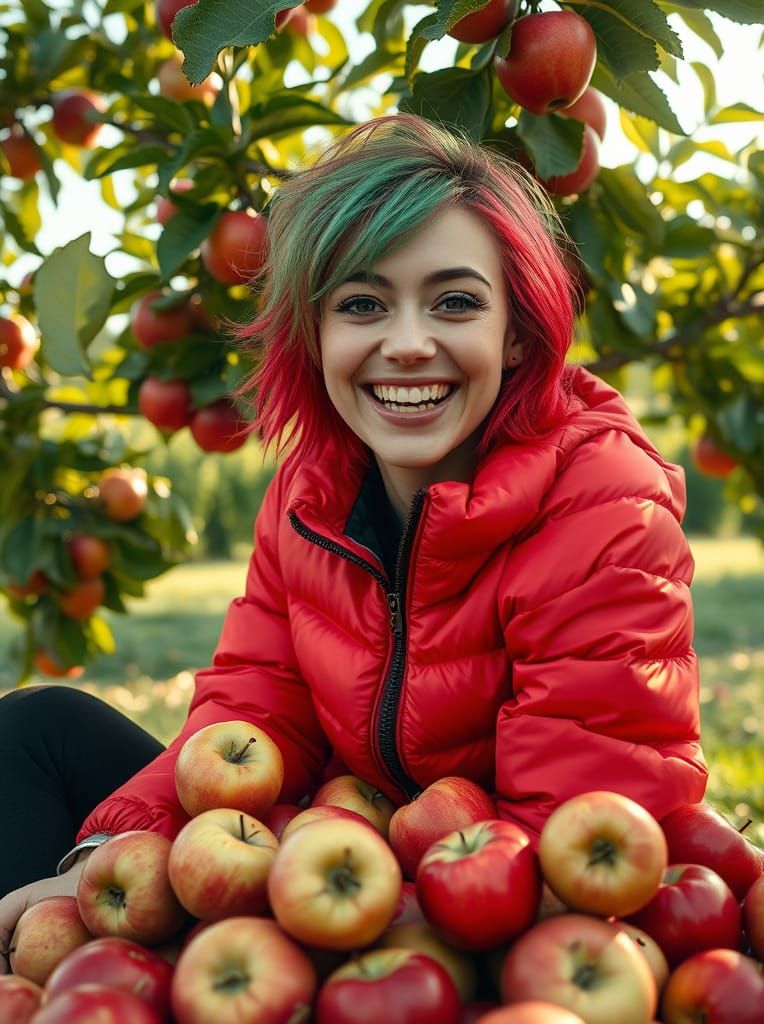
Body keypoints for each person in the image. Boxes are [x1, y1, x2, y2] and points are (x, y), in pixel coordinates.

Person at [0, 113, 708, 957]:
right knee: (35, 730)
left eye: (454, 302)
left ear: (517, 332)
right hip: (346, 847)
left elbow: (570, 843)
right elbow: (256, 705)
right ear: (318, 332)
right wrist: (112, 859)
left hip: (503, 915)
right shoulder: (311, 493)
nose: (407, 345)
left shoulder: (602, 502)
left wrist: (294, 872)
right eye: (364, 304)